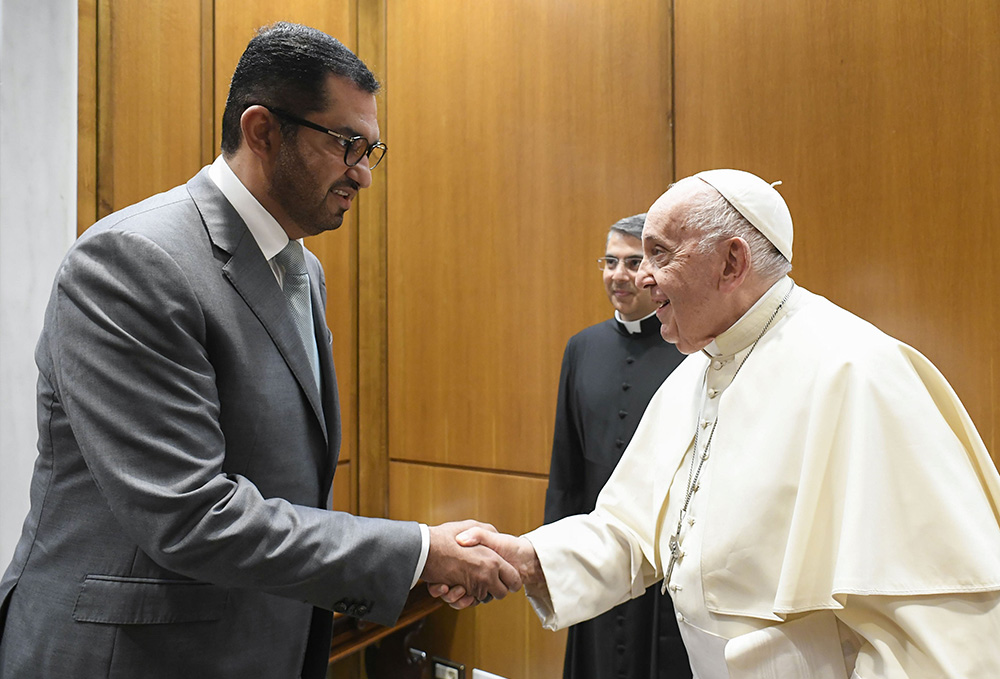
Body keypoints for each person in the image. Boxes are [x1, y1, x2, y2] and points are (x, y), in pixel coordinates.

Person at [0, 23, 518, 679]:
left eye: (372, 149)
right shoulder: (132, 261)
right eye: (346, 144)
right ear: (262, 130)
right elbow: (191, 514)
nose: (362, 173)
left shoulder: (304, 270)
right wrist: (419, 553)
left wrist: (413, 554)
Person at [434, 170, 1000, 678]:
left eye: (659, 255)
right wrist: (525, 558)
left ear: (732, 262)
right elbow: (634, 530)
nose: (642, 278)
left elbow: (931, 624)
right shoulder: (698, 369)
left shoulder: (856, 370)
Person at [545, 214, 689, 679]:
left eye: (632, 262)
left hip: (664, 568)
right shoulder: (581, 348)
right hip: (597, 555)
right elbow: (566, 468)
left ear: (654, 271)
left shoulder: (690, 352)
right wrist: (556, 556)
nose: (618, 275)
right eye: (609, 262)